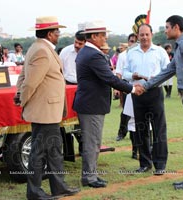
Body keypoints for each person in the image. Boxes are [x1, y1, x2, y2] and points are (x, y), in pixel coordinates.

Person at [139, 15, 183, 190]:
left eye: (167, 27)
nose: (165, 31)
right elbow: (168, 71)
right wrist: (146, 86)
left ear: (176, 27)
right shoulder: (181, 46)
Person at [16, 16, 80, 200]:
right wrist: (23, 99)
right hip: (44, 112)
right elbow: (30, 82)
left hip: (48, 111)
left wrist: (19, 95)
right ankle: (35, 192)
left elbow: (23, 76)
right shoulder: (42, 51)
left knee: (53, 152)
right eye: (57, 31)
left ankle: (59, 187)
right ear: (50, 33)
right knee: (39, 154)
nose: (59, 35)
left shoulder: (37, 48)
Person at [73, 20, 141, 188]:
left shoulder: (87, 52)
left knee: (93, 141)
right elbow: (109, 78)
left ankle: (92, 175)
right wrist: (132, 89)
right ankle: (89, 177)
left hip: (90, 104)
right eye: (103, 35)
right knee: (92, 142)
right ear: (94, 36)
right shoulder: (92, 54)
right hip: (91, 105)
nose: (105, 38)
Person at [123, 23, 170, 175]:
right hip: (137, 94)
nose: (144, 37)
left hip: (154, 93)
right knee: (140, 129)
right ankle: (144, 163)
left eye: (146, 34)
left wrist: (155, 80)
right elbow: (124, 72)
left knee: (158, 129)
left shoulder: (160, 52)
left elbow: (168, 72)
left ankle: (160, 164)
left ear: (152, 35)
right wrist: (132, 76)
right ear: (137, 36)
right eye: (141, 35)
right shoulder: (131, 52)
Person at [59, 30, 86, 155]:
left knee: (81, 118)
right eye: (75, 42)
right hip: (67, 86)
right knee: (65, 117)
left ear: (85, 43)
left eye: (80, 43)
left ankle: (83, 146)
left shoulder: (89, 53)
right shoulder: (65, 51)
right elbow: (58, 70)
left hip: (83, 87)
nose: (76, 45)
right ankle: (66, 148)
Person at [114, 33, 138, 159]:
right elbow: (118, 72)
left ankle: (146, 147)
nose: (133, 43)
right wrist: (117, 89)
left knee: (146, 120)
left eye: (135, 41)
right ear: (128, 42)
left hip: (144, 89)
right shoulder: (123, 56)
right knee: (126, 114)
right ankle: (121, 133)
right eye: (131, 41)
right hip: (126, 86)